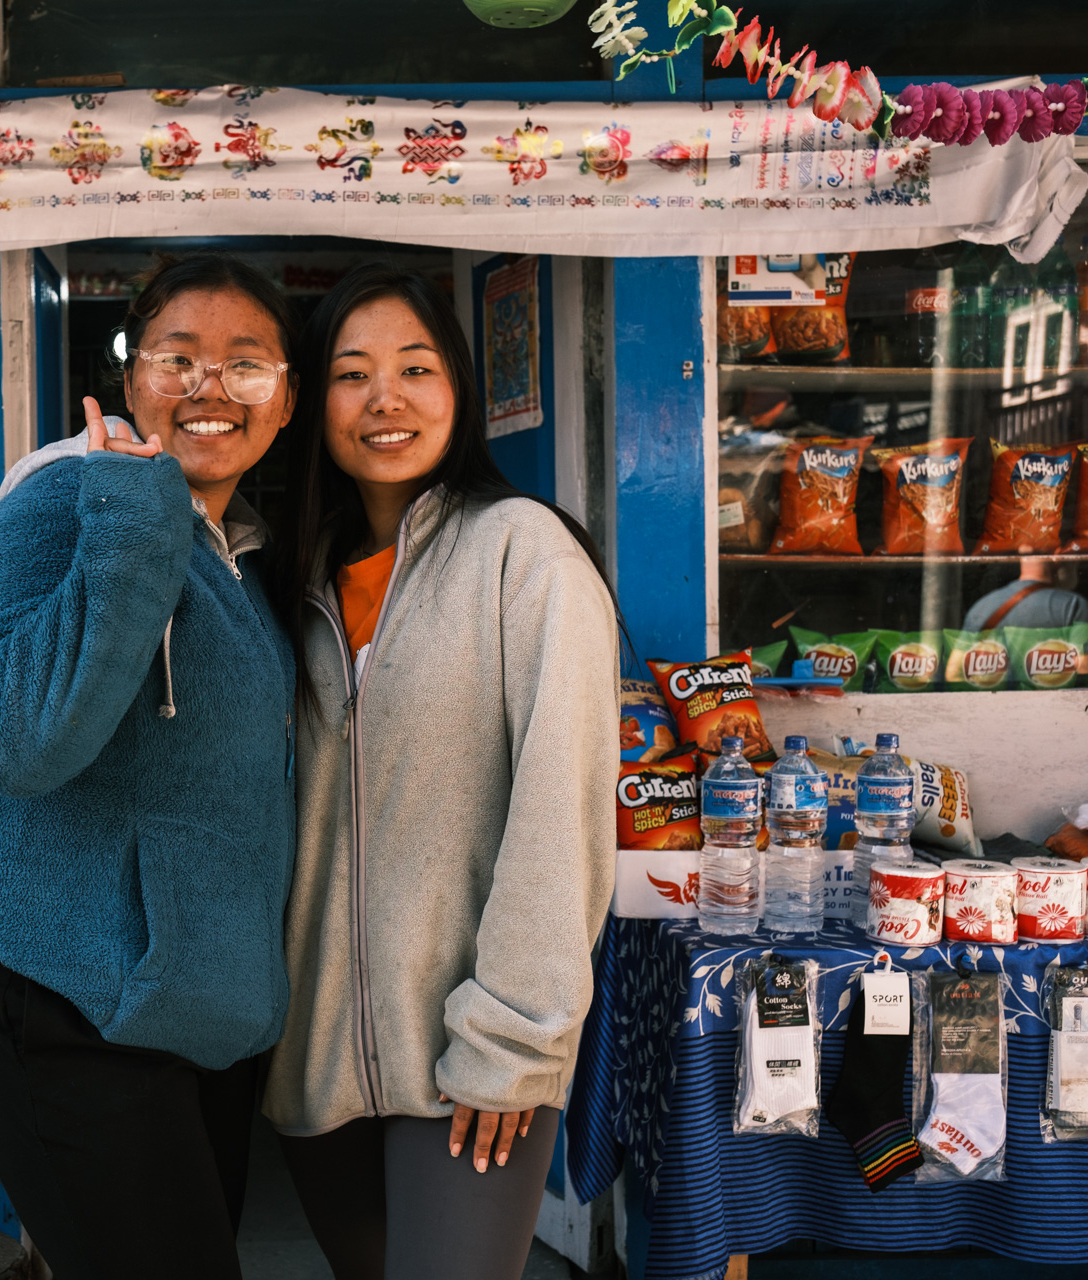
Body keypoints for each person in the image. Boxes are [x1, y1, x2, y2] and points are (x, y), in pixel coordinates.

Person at [0, 254, 299, 1280]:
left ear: (286, 399)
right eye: (176, 356)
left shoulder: (245, 544)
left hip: (189, 1005)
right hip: (64, 991)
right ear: (129, 376)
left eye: (246, 363)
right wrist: (136, 513)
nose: (208, 386)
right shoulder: (57, 502)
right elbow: (21, 742)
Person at [264, 265, 619, 1280]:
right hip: (314, 1062)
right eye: (352, 372)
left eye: (416, 367)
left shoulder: (526, 555)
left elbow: (562, 812)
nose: (387, 398)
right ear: (308, 402)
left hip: (470, 1059)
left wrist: (511, 1043)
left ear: (460, 387)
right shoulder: (291, 578)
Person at [962, 555, 1088, 631]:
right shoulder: (1073, 606)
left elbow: (955, 671)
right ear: (1057, 557)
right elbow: (1084, 669)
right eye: (1077, 561)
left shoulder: (982, 607)